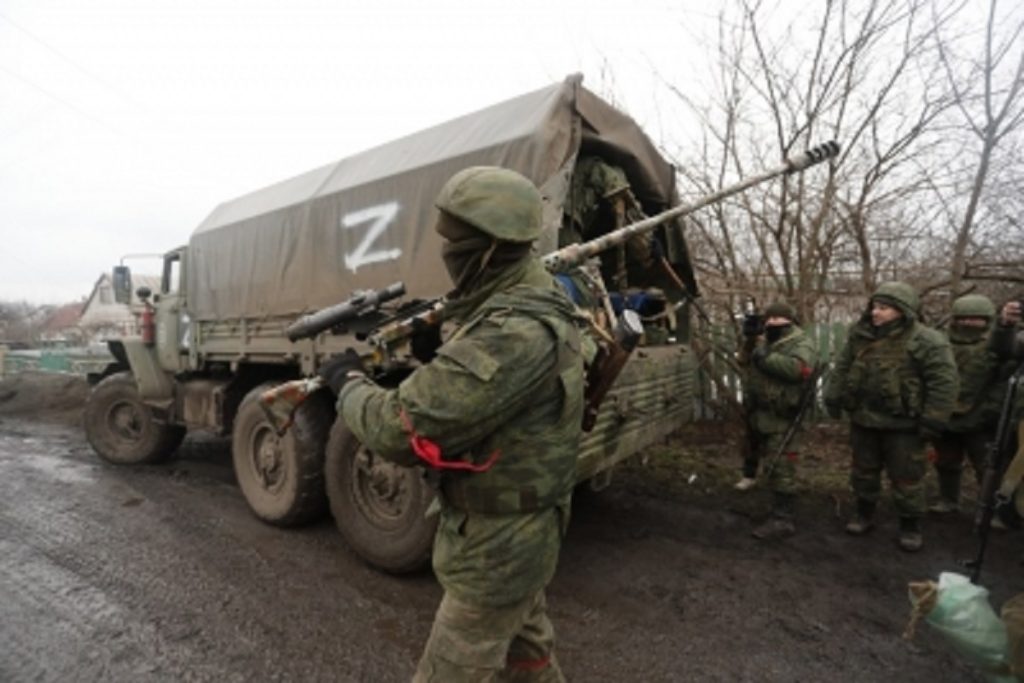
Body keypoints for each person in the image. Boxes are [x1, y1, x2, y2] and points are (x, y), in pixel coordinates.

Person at [320, 166, 586, 682]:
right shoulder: (539, 296)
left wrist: (347, 383)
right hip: (522, 531)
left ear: (487, 248)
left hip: (498, 547)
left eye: (454, 242)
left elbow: (397, 431)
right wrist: (443, 341)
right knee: (529, 654)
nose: (445, 252)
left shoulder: (516, 331)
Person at [824, 282, 958, 552]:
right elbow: (843, 367)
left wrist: (933, 419)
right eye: (874, 306)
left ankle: (910, 526)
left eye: (883, 308)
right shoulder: (860, 335)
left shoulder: (927, 340)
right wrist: (833, 396)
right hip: (864, 420)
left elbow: (944, 382)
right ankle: (864, 514)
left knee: (907, 477)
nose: (875, 312)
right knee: (863, 472)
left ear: (903, 310)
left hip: (904, 426)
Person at [735, 301, 818, 539]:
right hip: (759, 410)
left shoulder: (800, 342)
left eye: (777, 319)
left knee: (781, 465)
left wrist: (765, 358)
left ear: (789, 320)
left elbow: (798, 369)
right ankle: (761, 492)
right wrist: (751, 341)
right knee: (760, 455)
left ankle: (783, 519)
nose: (771, 323)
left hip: (783, 413)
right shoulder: (765, 341)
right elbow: (743, 360)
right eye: (768, 319)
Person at [929, 295, 1013, 513]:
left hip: (981, 418)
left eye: (976, 319)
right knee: (946, 462)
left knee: (987, 467)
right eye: (964, 319)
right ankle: (948, 500)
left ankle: (992, 508)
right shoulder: (940, 343)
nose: (969, 323)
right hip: (946, 416)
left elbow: (1003, 380)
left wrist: (990, 410)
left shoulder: (998, 345)